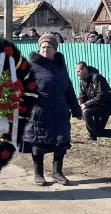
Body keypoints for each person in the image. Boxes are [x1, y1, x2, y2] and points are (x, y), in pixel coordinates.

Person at [22, 34, 82, 186]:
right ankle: (39, 174)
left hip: (60, 112)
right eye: (43, 47)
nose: (45, 49)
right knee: (38, 143)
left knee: (61, 143)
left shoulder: (60, 67)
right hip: (39, 112)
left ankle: (57, 172)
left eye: (49, 47)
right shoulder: (32, 66)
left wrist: (76, 110)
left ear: (55, 49)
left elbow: (68, 89)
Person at [75, 62, 111, 141]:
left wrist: (87, 104)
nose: (77, 74)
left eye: (79, 71)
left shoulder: (97, 77)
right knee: (99, 132)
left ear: (84, 69)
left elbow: (101, 96)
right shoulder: (82, 81)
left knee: (86, 112)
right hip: (97, 106)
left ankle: (92, 136)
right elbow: (82, 96)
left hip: (107, 105)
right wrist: (81, 105)